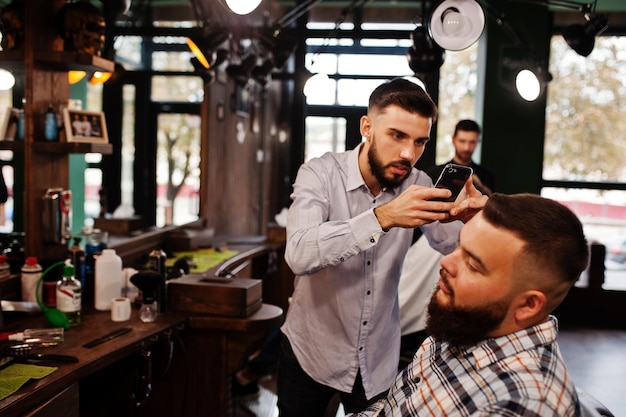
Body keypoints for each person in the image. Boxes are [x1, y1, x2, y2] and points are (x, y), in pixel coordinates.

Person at [278, 78, 487, 416]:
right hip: (311, 351)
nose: (409, 154)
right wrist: (382, 217)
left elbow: (449, 246)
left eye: (420, 142)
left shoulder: (419, 183)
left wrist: (470, 222)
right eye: (397, 135)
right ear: (367, 127)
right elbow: (299, 254)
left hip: (377, 357)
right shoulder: (319, 174)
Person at [349, 193, 590, 417]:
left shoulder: (520, 403)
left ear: (528, 304)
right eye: (459, 246)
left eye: (473, 265)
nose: (447, 262)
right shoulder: (466, 319)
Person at [428, 119, 495, 196]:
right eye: (462, 141)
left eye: (472, 142)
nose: (466, 148)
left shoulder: (487, 176)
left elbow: (493, 205)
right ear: (453, 140)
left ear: (478, 142)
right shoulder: (434, 173)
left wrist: (480, 187)